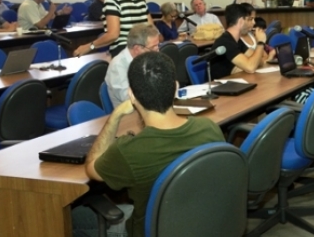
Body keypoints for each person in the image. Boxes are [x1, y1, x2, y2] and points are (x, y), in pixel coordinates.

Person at [79, 51, 224, 237]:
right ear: (176, 87)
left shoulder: (129, 151)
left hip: (152, 231)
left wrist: (115, 115)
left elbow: (91, 168)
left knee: (77, 217)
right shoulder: (209, 128)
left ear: (131, 95)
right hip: (203, 223)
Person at [104, 24, 161, 108]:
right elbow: (128, 98)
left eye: (158, 46)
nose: (157, 51)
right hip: (129, 117)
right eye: (153, 47)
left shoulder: (145, 58)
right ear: (137, 49)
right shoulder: (118, 66)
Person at [210, 4, 268, 79]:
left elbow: (259, 62)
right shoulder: (225, 42)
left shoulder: (237, 40)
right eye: (249, 19)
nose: (253, 23)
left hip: (235, 83)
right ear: (241, 21)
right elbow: (251, 67)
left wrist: (248, 64)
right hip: (222, 87)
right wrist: (260, 43)